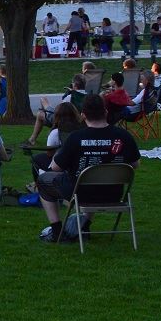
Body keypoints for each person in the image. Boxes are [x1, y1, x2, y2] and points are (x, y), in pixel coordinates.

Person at [36, 93, 141, 242]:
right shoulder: (123, 136)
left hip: (80, 193)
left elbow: (56, 168)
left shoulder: (76, 138)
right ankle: (84, 226)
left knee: (43, 181)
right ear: (105, 112)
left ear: (83, 115)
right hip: (113, 193)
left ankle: (57, 230)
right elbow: (135, 164)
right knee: (94, 180)